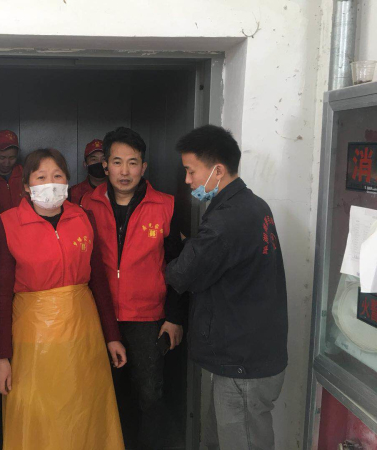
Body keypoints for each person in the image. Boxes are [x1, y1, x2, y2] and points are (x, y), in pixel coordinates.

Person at [0, 148, 126, 450]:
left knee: (84, 412)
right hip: (31, 342)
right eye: (41, 177)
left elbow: (99, 282)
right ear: (27, 186)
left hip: (84, 336)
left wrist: (112, 337)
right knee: (40, 415)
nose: (50, 183)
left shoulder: (84, 218)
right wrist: (0, 357)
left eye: (57, 176)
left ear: (67, 181)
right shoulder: (9, 224)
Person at [165, 125, 288, 450]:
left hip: (242, 365)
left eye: (191, 171)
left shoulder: (226, 220)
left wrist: (173, 252)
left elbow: (182, 274)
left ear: (217, 170)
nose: (188, 180)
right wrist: (194, 246)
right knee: (217, 442)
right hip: (249, 354)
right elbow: (226, 259)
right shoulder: (253, 205)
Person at [81, 127, 186, 450]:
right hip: (99, 316)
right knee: (102, 393)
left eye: (132, 162)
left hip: (148, 317)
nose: (124, 171)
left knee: (150, 395)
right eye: (117, 162)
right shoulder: (86, 204)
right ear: (105, 166)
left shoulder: (165, 206)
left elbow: (179, 268)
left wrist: (174, 317)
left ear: (144, 166)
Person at [69, 138, 107, 204]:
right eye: (94, 159)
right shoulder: (73, 193)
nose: (99, 162)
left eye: (103, 159)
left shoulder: (118, 190)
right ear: (85, 164)